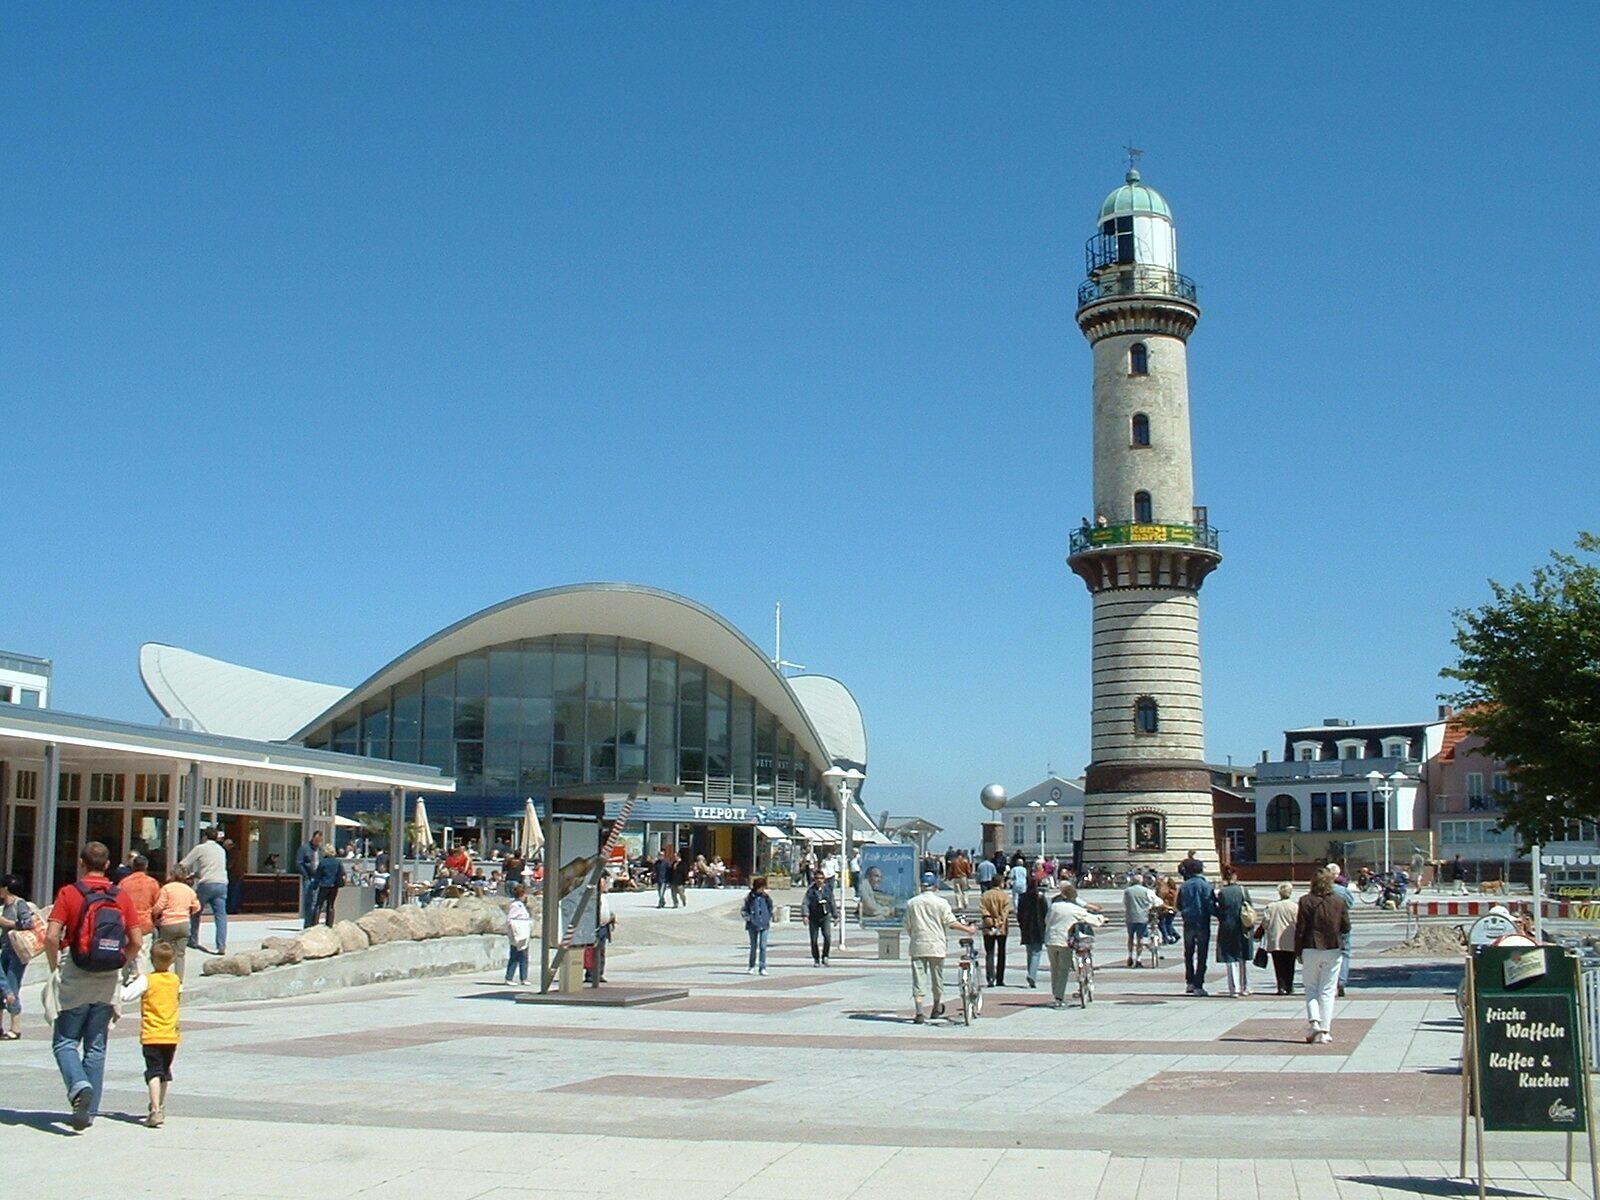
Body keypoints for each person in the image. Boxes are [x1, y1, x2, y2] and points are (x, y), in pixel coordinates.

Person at [44, 841, 144, 1129]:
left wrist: (55, 966)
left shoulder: (69, 893)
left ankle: (78, 1086)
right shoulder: (120, 895)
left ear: (81, 863)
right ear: (108, 865)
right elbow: (137, 941)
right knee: (96, 1047)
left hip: (76, 974)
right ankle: (88, 1113)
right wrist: (120, 962)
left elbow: (51, 936)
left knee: (65, 1042)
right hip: (107, 978)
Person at [120, 939, 181, 1127]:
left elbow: (126, 995)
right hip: (170, 1035)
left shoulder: (147, 980)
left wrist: (117, 983)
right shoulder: (175, 980)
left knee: (153, 1071)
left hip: (152, 1034)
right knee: (165, 1072)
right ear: (172, 961)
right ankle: (160, 1105)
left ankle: (154, 1109)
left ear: (152, 960)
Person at [902, 872, 975, 1024]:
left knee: (918, 979)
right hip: (936, 945)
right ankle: (936, 1006)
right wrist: (967, 929)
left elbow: (907, 924)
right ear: (935, 886)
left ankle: (919, 1012)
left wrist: (914, 935)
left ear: (921, 886)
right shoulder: (942, 903)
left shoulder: (912, 903)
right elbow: (950, 922)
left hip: (918, 944)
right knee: (937, 978)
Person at [1295, 868, 1351, 1044]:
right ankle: (1325, 1031)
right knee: (1327, 990)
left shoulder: (1305, 901)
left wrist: (1298, 951)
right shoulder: (1339, 901)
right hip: (1333, 948)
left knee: (1311, 987)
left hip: (1310, 947)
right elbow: (1346, 927)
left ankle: (1314, 1023)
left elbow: (1300, 929)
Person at [1043, 882, 1105, 1008]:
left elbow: (1047, 920)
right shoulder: (1075, 909)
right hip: (1064, 941)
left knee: (1054, 968)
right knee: (1063, 969)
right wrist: (1102, 918)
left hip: (1051, 940)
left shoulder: (1054, 906)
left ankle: (1056, 993)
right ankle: (1059, 996)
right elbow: (1092, 919)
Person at [179, 829, 229, 955]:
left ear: (205, 837)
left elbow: (183, 864)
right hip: (221, 883)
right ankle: (221, 945)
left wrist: (183, 876)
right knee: (221, 916)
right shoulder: (221, 850)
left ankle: (193, 940)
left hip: (206, 884)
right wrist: (195, 874)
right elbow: (211, 867)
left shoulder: (200, 848)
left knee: (196, 912)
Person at [0, 873, 34, 1040]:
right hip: (5, 950)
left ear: (6, 888)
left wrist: (8, 923)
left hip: (17, 952)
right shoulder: (5, 906)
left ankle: (15, 1027)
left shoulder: (19, 904)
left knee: (12, 987)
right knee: (1, 987)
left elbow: (29, 923)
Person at [149, 866, 200, 979]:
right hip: (184, 923)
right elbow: (197, 907)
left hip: (169, 923)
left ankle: (162, 976)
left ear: (172, 875)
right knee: (180, 954)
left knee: (163, 952)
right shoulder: (189, 890)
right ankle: (179, 980)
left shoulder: (167, 888)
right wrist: (188, 912)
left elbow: (159, 906)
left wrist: (154, 915)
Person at [1213, 865, 1255, 997]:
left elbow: (1218, 910)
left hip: (1227, 926)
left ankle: (1234, 988)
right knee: (1243, 956)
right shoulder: (1243, 890)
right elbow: (1249, 907)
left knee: (1230, 956)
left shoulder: (1222, 892)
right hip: (1242, 926)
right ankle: (1245, 987)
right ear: (1235, 876)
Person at [1178, 863, 1215, 996]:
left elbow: (1179, 904)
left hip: (1188, 922)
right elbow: (1211, 905)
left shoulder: (1184, 886)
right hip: (1202, 922)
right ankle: (1199, 984)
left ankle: (1190, 982)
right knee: (1202, 954)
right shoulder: (1207, 886)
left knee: (1188, 953)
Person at [1261, 882, 1299, 995]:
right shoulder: (1295, 907)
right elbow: (1298, 922)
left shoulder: (1271, 906)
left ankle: (1281, 986)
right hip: (1290, 939)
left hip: (1275, 940)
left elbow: (1265, 922)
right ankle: (1289, 986)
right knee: (1290, 964)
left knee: (1278, 965)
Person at [118, 855, 161, 949]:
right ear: (146, 866)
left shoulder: (124, 883)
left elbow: (117, 903)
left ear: (133, 866)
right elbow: (157, 906)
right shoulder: (152, 883)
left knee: (126, 953)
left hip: (127, 924)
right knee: (143, 954)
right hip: (145, 924)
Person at [979, 874, 1013, 987]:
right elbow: (1005, 913)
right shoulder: (1004, 896)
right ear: (1001, 883)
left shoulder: (985, 895)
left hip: (988, 926)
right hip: (1001, 928)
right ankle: (999, 979)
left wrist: (990, 920)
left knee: (989, 953)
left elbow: (983, 910)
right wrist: (998, 922)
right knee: (1001, 952)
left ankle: (990, 978)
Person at [1016, 875, 1049, 989]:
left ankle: (1031, 972)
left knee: (1030, 952)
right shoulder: (1040, 898)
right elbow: (1046, 913)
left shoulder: (1022, 897)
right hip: (1038, 928)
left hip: (1026, 928)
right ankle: (1032, 975)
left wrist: (1021, 925)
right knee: (1036, 953)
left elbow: (1019, 914)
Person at [1122, 873, 1159, 966]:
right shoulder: (1146, 891)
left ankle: (1130, 956)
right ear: (1141, 881)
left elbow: (1125, 902)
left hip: (1130, 917)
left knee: (1130, 937)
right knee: (1140, 938)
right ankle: (1138, 959)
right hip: (1142, 917)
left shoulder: (1127, 891)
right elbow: (1156, 902)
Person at [803, 871, 837, 966]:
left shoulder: (827, 890)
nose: (819, 880)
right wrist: (805, 915)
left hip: (825, 916)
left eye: (821, 878)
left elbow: (832, 902)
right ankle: (816, 958)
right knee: (814, 939)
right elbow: (805, 903)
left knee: (827, 936)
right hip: (814, 916)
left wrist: (835, 915)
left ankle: (825, 956)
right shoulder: (811, 891)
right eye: (817, 878)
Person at [741, 876, 774, 976]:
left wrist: (768, 916)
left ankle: (762, 967)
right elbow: (744, 910)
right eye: (761, 887)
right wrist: (749, 918)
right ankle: (751, 966)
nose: (763, 889)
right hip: (752, 925)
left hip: (764, 924)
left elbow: (770, 907)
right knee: (753, 946)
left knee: (763, 946)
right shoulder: (750, 897)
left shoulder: (766, 897)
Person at [1332, 868, 1356, 997]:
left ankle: (1330, 982)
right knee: (1344, 953)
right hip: (1341, 924)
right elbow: (1350, 904)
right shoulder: (1343, 890)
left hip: (1325, 926)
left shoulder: (1320, 890)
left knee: (1328, 954)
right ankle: (1341, 981)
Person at [589, 876, 616, 983]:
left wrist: (611, 916)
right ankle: (591, 974)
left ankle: (599, 973)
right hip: (595, 927)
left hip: (604, 926)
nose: (605, 885)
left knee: (601, 951)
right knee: (593, 951)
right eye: (603, 883)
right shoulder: (593, 897)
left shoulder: (603, 896)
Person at [505, 884, 532, 985]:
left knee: (523, 956)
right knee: (515, 956)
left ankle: (524, 977)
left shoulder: (521, 905)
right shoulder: (515, 905)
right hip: (518, 934)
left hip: (523, 933)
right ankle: (509, 977)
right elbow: (511, 919)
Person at [313, 847, 345, 927]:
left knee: (319, 905)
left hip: (324, 885)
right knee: (331, 905)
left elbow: (318, 875)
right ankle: (329, 925)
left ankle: (315, 925)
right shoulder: (338, 861)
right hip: (334, 886)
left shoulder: (323, 862)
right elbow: (342, 873)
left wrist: (315, 886)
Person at [297, 829, 323, 927]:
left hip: (318, 877)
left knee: (316, 901)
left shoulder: (320, 850)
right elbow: (299, 863)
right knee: (309, 900)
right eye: (316, 840)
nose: (317, 842)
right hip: (308, 877)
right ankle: (308, 924)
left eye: (319, 841)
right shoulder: (304, 848)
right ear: (313, 838)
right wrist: (305, 875)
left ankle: (314, 922)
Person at [1155, 874, 1181, 943]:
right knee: (1167, 923)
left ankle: (1167, 937)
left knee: (1163, 923)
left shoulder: (1164, 890)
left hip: (1166, 908)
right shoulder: (1173, 890)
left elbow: (1160, 899)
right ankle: (1172, 935)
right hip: (1172, 908)